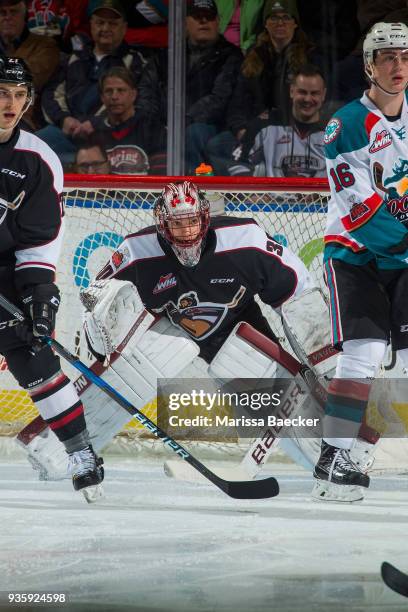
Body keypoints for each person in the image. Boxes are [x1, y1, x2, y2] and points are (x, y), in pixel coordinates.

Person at [0, 56, 104, 496]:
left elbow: (40, 239)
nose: (11, 103)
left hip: (6, 270)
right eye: (3, 92)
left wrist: (40, 299)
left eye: (20, 95)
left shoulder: (38, 159)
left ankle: (81, 451)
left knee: (37, 359)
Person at [313, 22, 408, 501]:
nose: (398, 67)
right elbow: (361, 212)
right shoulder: (347, 124)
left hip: (405, 253)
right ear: (369, 65)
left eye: (405, 57)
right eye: (388, 57)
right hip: (355, 254)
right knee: (364, 353)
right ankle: (333, 457)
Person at [95, 180, 315, 364]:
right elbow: (98, 299)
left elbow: (297, 291)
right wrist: (101, 343)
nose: (188, 231)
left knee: (272, 394)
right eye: (177, 224)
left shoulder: (246, 239)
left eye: (193, 221)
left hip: (238, 329)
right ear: (163, 225)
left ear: (205, 219)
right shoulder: (135, 252)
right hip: (170, 343)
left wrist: (319, 355)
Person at [206, 0, 318, 174]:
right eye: (273, 18)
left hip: (291, 130)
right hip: (253, 130)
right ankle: (246, 183)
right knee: (217, 145)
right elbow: (238, 102)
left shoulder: (309, 57)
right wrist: (241, 129)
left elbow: (311, 103)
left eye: (286, 17)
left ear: (295, 23)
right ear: (265, 23)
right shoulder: (253, 56)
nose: (280, 23)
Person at [135, 0, 242, 173]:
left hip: (211, 128)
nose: (203, 21)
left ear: (217, 22)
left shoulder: (231, 56)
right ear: (185, 22)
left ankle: (195, 190)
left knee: (194, 133)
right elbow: (147, 93)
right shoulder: (166, 56)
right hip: (167, 126)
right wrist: (155, 124)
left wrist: (182, 122)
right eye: (198, 17)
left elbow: (219, 99)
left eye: (209, 17)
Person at [38, 0, 146, 166]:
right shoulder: (74, 58)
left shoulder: (135, 61)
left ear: (124, 28)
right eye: (100, 22)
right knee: (36, 145)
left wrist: (96, 122)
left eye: (112, 24)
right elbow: (51, 94)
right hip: (68, 132)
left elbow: (134, 101)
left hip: (108, 133)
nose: (105, 28)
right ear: (91, 25)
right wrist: (64, 120)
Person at [228, 63, 327, 177]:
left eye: (314, 93)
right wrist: (253, 194)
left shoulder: (335, 132)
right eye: (302, 92)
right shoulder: (264, 125)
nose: (308, 99)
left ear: (323, 95)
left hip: (322, 195)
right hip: (272, 195)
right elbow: (236, 164)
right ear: (291, 91)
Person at [93, 66, 166, 174]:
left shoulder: (153, 129)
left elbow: (161, 175)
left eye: (121, 90)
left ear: (133, 95)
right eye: (109, 91)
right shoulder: (95, 134)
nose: (114, 96)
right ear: (102, 98)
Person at [0, 0, 60, 130]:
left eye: (13, 12)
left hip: (22, 119)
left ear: (25, 16)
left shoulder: (46, 45)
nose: (7, 17)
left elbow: (30, 78)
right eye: (2, 13)